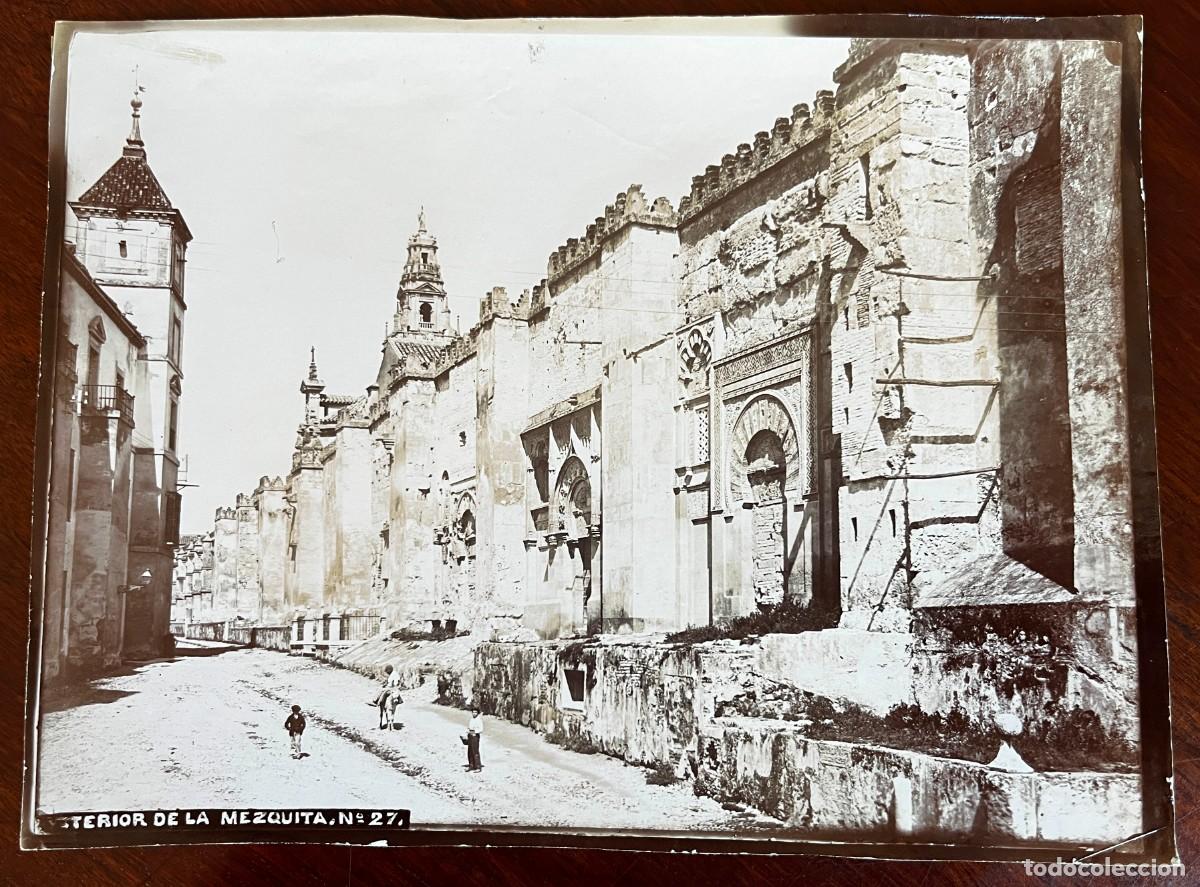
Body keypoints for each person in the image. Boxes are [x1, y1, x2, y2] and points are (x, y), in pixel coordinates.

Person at [464, 706, 483, 771]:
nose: (474, 713)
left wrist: (474, 732)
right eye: (473, 712)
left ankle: (478, 767)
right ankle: (471, 765)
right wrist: (467, 733)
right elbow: (469, 727)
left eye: (475, 712)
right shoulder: (471, 719)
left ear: (478, 713)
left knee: (475, 751)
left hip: (475, 736)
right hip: (470, 736)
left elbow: (481, 729)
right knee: (470, 751)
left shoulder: (479, 720)